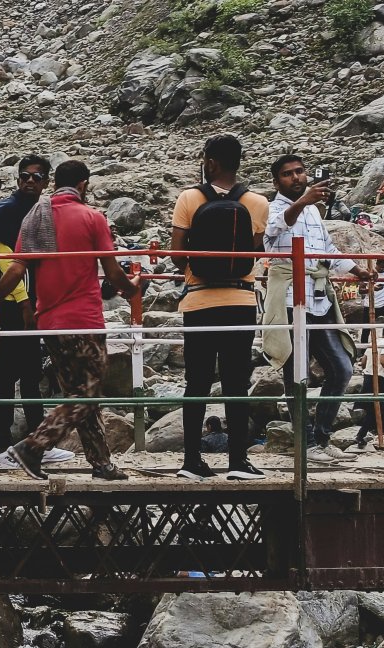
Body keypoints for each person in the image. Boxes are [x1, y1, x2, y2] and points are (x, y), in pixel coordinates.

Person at [0, 160, 137, 481]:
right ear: (84, 186)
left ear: (53, 183)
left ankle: (102, 464)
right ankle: (33, 447)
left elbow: (16, 268)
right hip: (83, 320)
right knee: (88, 393)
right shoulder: (92, 217)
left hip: (50, 322)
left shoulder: (35, 218)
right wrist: (132, 289)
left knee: (80, 393)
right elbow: (113, 272)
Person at [263, 154, 377, 463]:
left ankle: (322, 436)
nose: (297, 177)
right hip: (289, 298)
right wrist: (302, 201)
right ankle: (306, 442)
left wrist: (358, 272)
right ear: (277, 182)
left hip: (317, 296)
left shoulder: (313, 210)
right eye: (288, 174)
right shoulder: (272, 208)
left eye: (300, 172)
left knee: (341, 367)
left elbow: (328, 249)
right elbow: (274, 230)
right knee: (295, 373)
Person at [0, 155, 74, 471]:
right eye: (24, 176)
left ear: (45, 181)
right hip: (15, 305)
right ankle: (1, 447)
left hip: (32, 304)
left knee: (30, 374)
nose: (29, 181)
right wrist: (23, 301)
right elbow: (5, 263)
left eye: (36, 177)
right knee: (10, 372)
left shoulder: (40, 211)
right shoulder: (7, 211)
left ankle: (39, 443)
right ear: (17, 179)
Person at [170, 134, 269, 480]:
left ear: (210, 162)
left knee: (196, 381)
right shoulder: (257, 202)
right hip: (240, 300)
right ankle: (238, 461)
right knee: (236, 381)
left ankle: (192, 461)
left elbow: (177, 254)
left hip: (198, 301)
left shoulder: (189, 197)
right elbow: (252, 253)